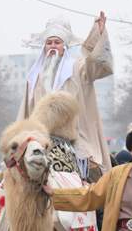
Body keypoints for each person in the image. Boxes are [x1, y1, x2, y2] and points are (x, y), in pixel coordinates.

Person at [18, 12, 113, 177]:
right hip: (41, 142)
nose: (53, 46)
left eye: (57, 42)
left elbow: (96, 65)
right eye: (49, 43)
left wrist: (97, 35)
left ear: (64, 47)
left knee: (91, 179)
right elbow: (25, 113)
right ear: (44, 46)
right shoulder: (35, 77)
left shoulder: (77, 68)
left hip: (76, 140)